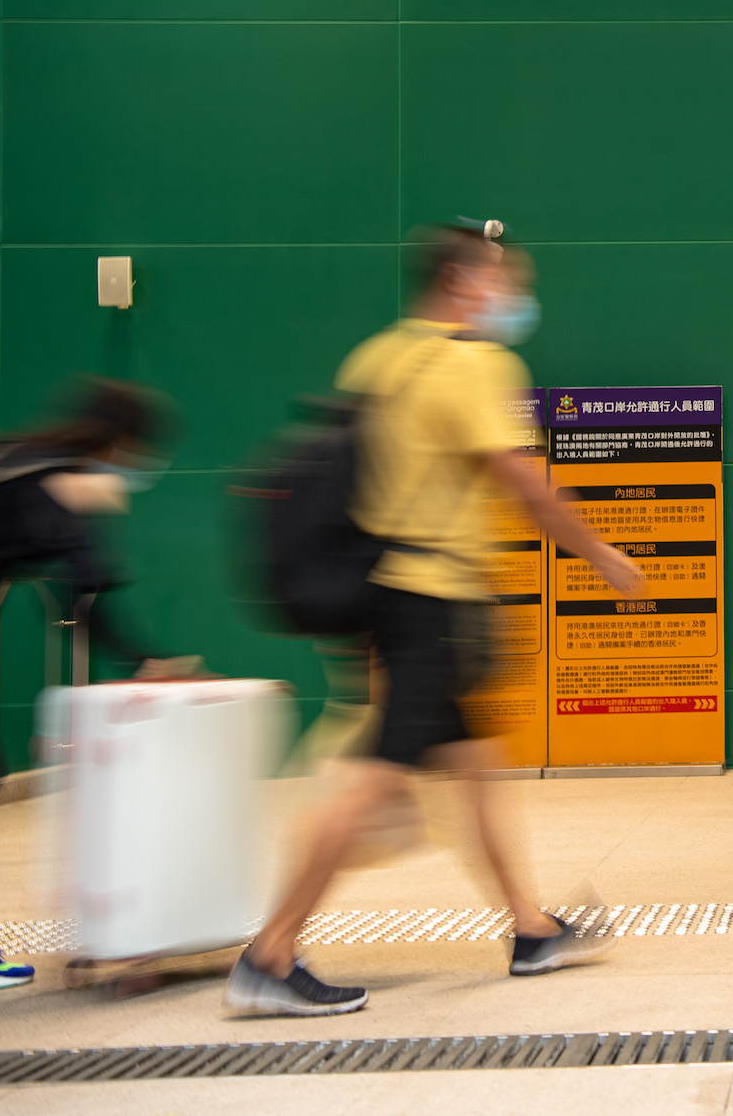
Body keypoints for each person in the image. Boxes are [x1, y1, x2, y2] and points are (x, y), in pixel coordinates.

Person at [228, 224, 644, 1018]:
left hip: (388, 591)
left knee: (477, 763)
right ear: (461, 281)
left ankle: (530, 928)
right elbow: (523, 482)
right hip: (432, 599)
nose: (513, 299)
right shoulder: (473, 362)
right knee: (377, 773)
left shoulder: (378, 357)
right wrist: (600, 552)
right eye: (503, 282)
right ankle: (270, 952)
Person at [0, 379, 180, 997]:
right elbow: (83, 596)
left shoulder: (12, 458)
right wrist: (145, 660)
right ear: (117, 444)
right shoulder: (58, 483)